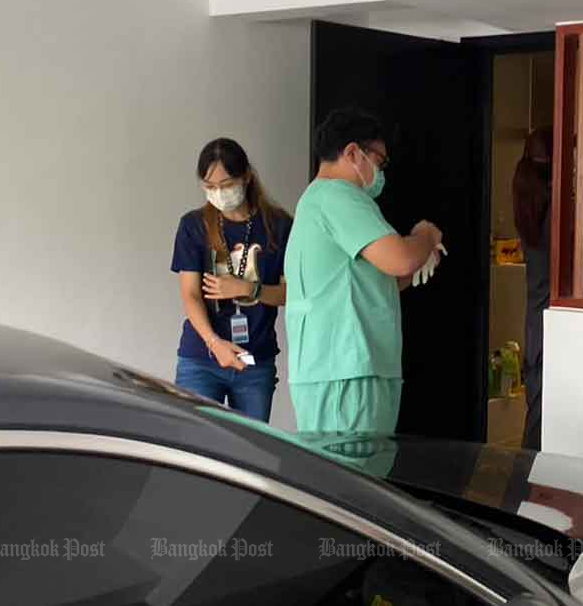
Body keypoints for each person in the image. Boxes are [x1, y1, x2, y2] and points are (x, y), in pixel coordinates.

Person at [284, 107, 444, 434]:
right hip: (345, 370)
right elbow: (399, 258)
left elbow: (377, 280)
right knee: (351, 478)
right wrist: (425, 236)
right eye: (380, 161)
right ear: (353, 152)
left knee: (349, 475)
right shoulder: (336, 196)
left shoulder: (321, 201)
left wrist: (420, 258)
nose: (382, 172)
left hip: (343, 367)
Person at [170, 138, 293, 422]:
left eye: (226, 185)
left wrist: (250, 289)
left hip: (255, 361)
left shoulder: (279, 226)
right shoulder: (193, 226)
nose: (219, 193)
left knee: (250, 452)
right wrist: (215, 344)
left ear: (246, 177)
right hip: (201, 357)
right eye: (209, 186)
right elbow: (190, 295)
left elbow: (289, 294)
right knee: (195, 447)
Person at [511, 126, 555, 450]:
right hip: (552, 323)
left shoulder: (527, 194)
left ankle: (522, 484)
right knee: (543, 422)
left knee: (536, 411)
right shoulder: (555, 207)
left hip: (535, 321)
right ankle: (526, 486)